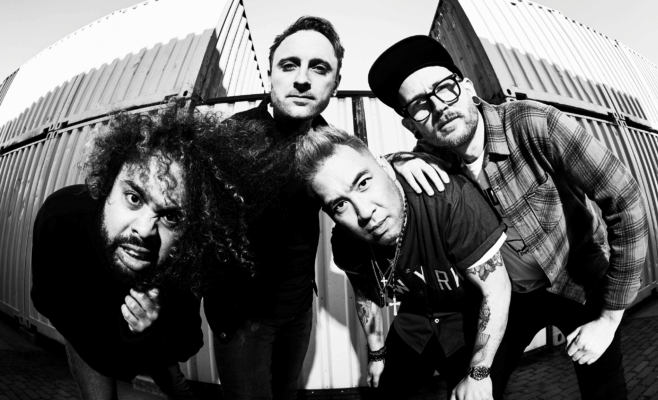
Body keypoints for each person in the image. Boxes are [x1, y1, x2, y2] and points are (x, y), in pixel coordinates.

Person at [367, 35, 649, 399]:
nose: (439, 107)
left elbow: (625, 201)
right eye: (420, 105)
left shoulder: (533, 123)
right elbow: (365, 176)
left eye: (445, 88)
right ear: (411, 125)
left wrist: (609, 320)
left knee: (605, 390)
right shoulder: (427, 163)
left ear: (467, 88)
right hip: (510, 297)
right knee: (475, 386)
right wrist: (394, 162)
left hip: (578, 278)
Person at [31, 101, 255, 400]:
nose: (145, 230)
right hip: (87, 337)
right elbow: (46, 299)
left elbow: (188, 342)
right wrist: (116, 339)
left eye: (170, 216)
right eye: (134, 198)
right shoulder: (60, 220)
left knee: (174, 383)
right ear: (105, 186)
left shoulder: (183, 256)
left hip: (154, 345)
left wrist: (151, 329)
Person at [295, 126, 511, 400]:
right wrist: (377, 354)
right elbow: (365, 295)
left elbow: (497, 290)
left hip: (468, 318)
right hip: (416, 318)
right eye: (340, 205)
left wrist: (479, 372)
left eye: (363, 183)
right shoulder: (346, 242)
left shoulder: (448, 200)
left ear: (385, 167)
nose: (364, 212)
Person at [202, 15, 344, 400]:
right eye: (289, 65)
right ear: (271, 75)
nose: (302, 79)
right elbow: (190, 228)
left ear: (335, 83)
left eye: (319, 68)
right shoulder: (230, 138)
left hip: (298, 312)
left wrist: (404, 164)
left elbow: (370, 205)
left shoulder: (333, 148)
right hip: (243, 319)